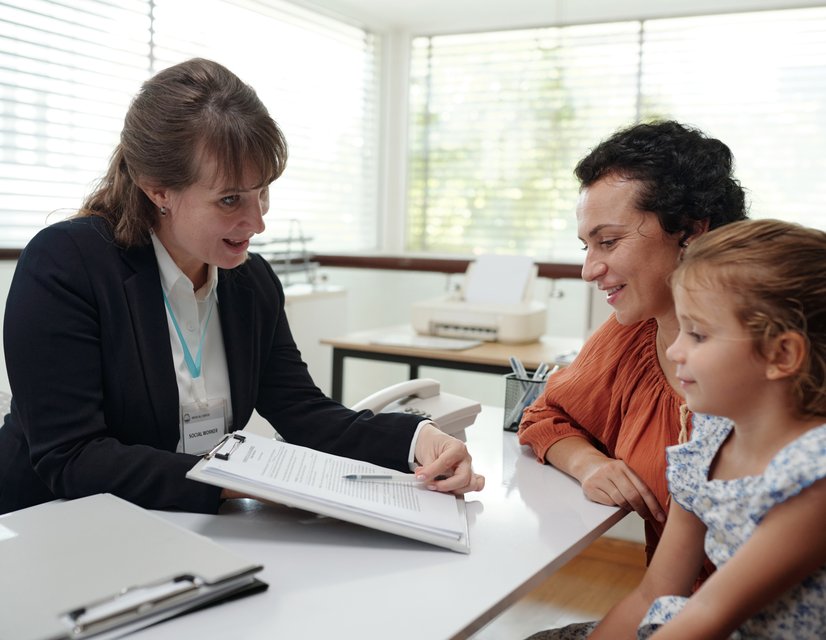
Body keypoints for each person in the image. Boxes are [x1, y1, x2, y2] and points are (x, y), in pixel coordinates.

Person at [0, 58, 484, 515]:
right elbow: (72, 457)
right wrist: (248, 480)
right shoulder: (66, 265)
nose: (256, 223)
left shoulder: (250, 282)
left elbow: (303, 412)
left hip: (188, 526)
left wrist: (420, 440)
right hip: (51, 527)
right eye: (230, 199)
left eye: (262, 192)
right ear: (158, 189)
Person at [518, 121, 747, 568]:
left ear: (691, 232)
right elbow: (547, 415)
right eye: (587, 246)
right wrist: (590, 465)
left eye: (608, 242)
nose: (588, 270)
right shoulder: (634, 333)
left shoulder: (766, 362)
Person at [589, 218, 826, 639]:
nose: (675, 350)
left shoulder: (814, 475)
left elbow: (710, 616)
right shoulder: (711, 438)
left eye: (697, 335)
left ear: (782, 353)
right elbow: (654, 594)